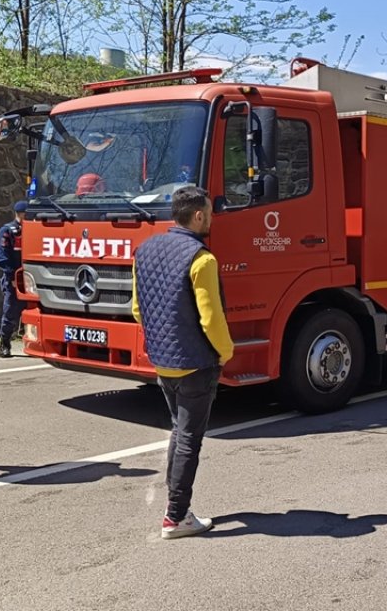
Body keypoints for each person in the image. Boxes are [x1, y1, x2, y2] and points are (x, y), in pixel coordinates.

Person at [131, 186, 234, 539]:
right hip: (195, 364)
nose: (212, 219)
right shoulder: (202, 259)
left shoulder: (144, 250)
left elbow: (136, 308)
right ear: (199, 215)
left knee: (179, 430)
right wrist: (225, 351)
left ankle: (175, 509)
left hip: (163, 362)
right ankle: (176, 517)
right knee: (190, 438)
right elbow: (211, 318)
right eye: (210, 212)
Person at [0, 200, 27, 358]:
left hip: (31, 277)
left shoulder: (32, 230)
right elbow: (3, 257)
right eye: (24, 214)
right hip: (14, 278)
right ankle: (5, 343)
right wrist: (11, 276)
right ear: (18, 214)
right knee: (10, 311)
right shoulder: (8, 231)